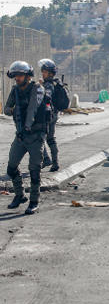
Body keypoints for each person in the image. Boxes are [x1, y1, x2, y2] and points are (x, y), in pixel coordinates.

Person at [4, 61, 52, 215]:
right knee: (11, 167)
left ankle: (34, 201)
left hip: (36, 135)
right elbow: (5, 109)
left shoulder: (37, 88)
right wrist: (13, 110)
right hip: (21, 135)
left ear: (27, 75)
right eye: (16, 75)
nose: (17, 78)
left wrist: (26, 127)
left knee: (34, 170)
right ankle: (20, 195)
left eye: (20, 75)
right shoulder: (15, 91)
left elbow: (32, 108)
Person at [38, 58, 67, 172]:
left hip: (47, 115)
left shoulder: (49, 85)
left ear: (50, 73)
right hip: (54, 114)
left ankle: (46, 159)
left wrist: (40, 87)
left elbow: (45, 98)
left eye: (45, 72)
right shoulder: (55, 83)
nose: (43, 74)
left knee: (39, 137)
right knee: (51, 138)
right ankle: (55, 162)